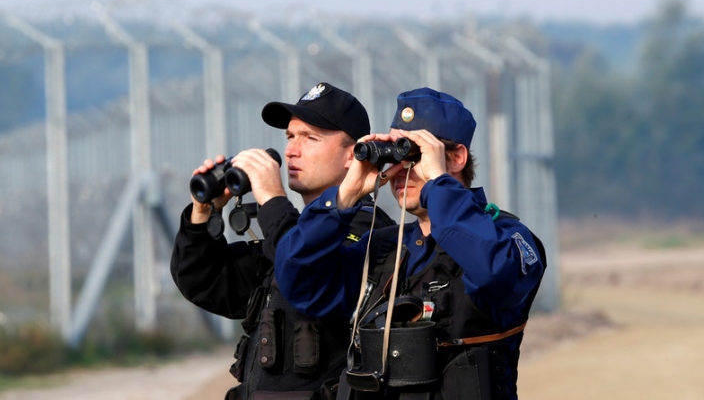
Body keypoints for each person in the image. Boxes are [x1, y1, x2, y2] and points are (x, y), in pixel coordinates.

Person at [274, 87, 546, 400]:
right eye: (395, 155)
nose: (401, 169)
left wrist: (438, 185)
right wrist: (343, 200)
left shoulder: (507, 238)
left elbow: (495, 274)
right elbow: (298, 281)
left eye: (412, 154)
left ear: (456, 157)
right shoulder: (383, 248)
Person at [171, 82, 396, 400]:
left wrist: (273, 198)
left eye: (310, 138)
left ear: (353, 155)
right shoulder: (290, 236)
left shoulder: (368, 231)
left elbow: (304, 267)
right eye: (290, 137)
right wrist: (202, 214)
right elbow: (203, 281)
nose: (291, 150)